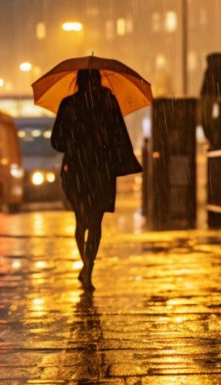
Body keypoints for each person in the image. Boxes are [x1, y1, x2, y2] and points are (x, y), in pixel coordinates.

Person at [51, 69, 142, 291]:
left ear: (78, 81)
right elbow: (119, 135)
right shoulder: (108, 101)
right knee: (96, 222)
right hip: (101, 169)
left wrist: (75, 143)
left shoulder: (69, 104)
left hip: (77, 169)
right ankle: (89, 267)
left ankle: (85, 264)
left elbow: (57, 141)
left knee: (81, 221)